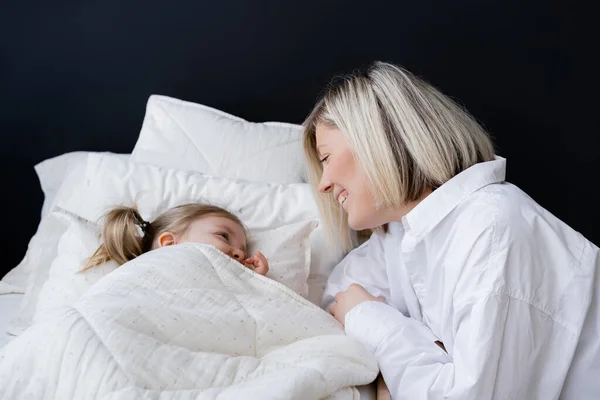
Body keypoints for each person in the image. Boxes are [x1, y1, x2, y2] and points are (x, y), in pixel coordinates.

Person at [303, 61, 600, 399]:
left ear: (376, 140)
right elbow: (337, 297)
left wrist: (371, 320)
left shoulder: (492, 229)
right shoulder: (401, 234)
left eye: (325, 158)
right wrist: (423, 352)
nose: (324, 185)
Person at [83, 203, 269, 275]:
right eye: (223, 236)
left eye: (243, 252)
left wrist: (255, 280)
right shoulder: (147, 272)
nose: (239, 253)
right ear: (169, 244)